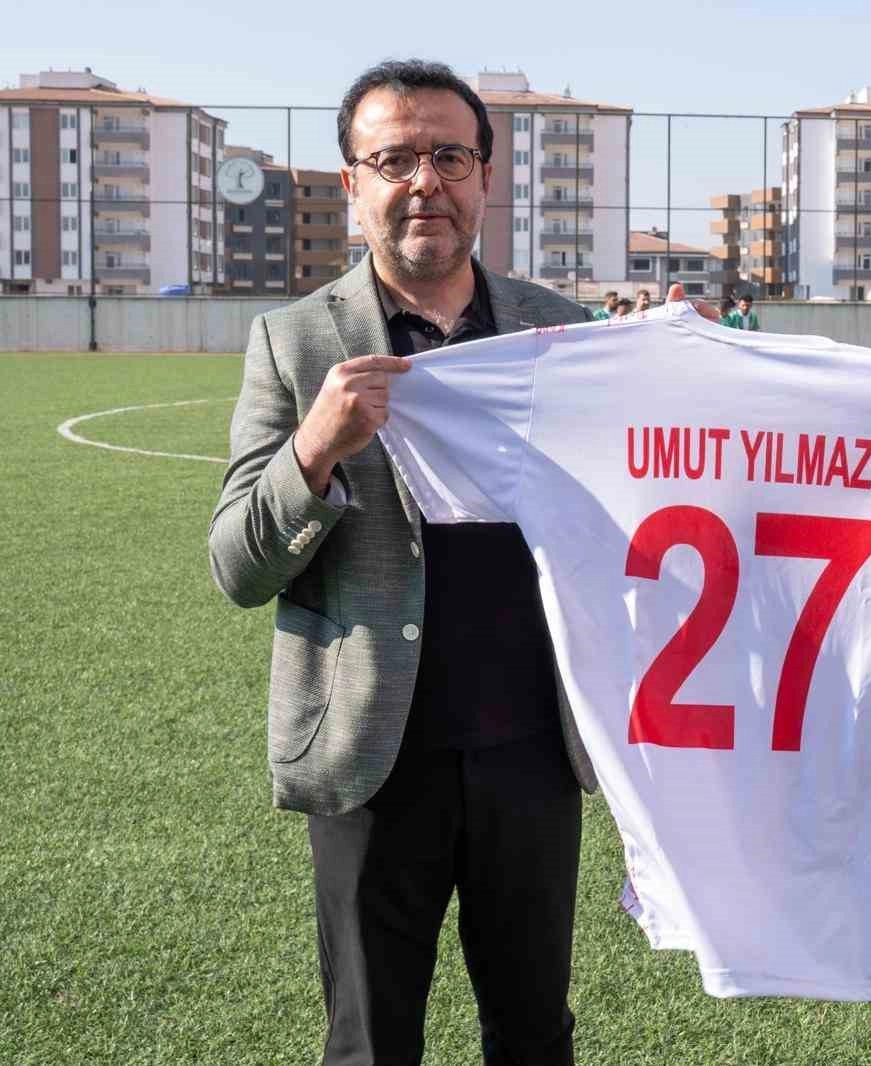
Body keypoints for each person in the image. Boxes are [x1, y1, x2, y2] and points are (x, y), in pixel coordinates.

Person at [207, 59, 595, 1066]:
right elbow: (238, 567)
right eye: (394, 159)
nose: (425, 180)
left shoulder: (564, 333)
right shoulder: (294, 343)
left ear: (485, 177)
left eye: (450, 156)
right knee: (371, 1044)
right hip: (371, 758)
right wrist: (315, 448)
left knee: (534, 1036)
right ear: (352, 183)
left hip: (533, 752)